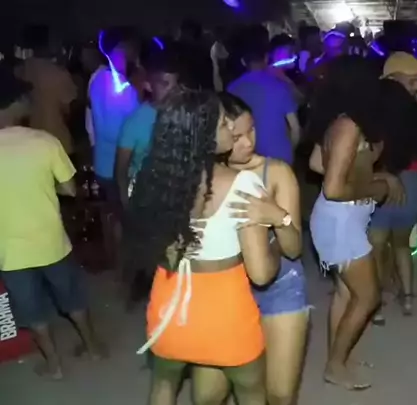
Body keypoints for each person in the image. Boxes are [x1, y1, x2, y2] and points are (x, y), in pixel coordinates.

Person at [124, 90, 277, 405]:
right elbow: (261, 273)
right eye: (222, 124)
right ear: (202, 135)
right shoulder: (243, 184)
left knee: (164, 385)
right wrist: (274, 244)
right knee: (252, 395)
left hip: (169, 308)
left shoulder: (147, 181)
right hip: (226, 314)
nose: (231, 128)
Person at [0, 67, 104, 380]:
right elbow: (70, 189)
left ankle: (54, 365)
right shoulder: (44, 142)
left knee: (31, 311)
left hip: (10, 252)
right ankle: (93, 348)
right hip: (51, 242)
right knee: (72, 297)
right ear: (16, 103)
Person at [307, 55, 405, 390]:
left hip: (342, 219)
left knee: (346, 294)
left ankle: (339, 358)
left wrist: (368, 175)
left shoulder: (342, 120)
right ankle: (335, 366)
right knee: (368, 297)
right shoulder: (348, 125)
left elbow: (316, 163)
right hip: (340, 222)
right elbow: (334, 189)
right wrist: (376, 187)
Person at [225, 96, 308, 405]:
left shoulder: (276, 172)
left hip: (280, 285)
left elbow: (294, 249)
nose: (248, 142)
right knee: (237, 390)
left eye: (252, 130)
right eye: (236, 137)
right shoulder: (208, 176)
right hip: (228, 291)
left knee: (281, 394)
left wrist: (278, 217)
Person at [367, 75, 417, 323]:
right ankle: (408, 298)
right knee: (402, 246)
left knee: (377, 248)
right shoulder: (415, 119)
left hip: (381, 185)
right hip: (412, 185)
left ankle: (378, 306)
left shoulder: (375, 122)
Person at [115, 46, 183, 307]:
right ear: (147, 86)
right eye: (164, 84)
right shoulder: (136, 121)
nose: (171, 90)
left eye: (175, 84)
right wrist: (125, 200)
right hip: (146, 195)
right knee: (149, 254)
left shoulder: (183, 115)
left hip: (177, 191)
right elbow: (122, 167)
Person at [89, 30, 140, 271]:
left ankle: (115, 264)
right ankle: (123, 269)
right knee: (122, 217)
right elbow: (118, 129)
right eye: (130, 45)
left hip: (104, 161)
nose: (134, 50)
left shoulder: (98, 78)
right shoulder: (118, 85)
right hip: (120, 163)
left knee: (111, 215)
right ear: (120, 47)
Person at [227, 44, 301, 165]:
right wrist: (290, 151)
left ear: (243, 62)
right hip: (279, 157)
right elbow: (295, 128)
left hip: (245, 158)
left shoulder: (232, 88)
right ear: (266, 58)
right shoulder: (279, 85)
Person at [16, 24, 78, 160]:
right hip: (56, 139)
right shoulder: (59, 73)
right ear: (49, 43)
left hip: (29, 139)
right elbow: (69, 110)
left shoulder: (20, 70)